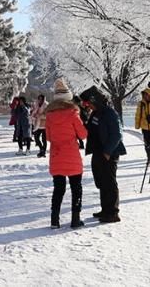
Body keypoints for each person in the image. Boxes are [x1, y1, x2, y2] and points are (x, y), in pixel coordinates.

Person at [81, 85, 126, 223]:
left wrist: (107, 151)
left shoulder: (109, 113)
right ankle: (105, 209)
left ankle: (113, 212)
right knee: (101, 181)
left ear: (95, 101)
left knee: (109, 182)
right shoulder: (97, 113)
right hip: (98, 151)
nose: (88, 106)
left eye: (88, 103)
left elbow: (117, 134)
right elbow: (90, 129)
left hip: (108, 153)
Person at [46, 79, 87, 229]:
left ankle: (54, 220)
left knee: (58, 189)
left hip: (56, 156)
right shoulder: (72, 113)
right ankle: (75, 219)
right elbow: (82, 135)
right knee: (76, 188)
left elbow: (49, 137)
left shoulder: (49, 115)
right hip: (71, 155)